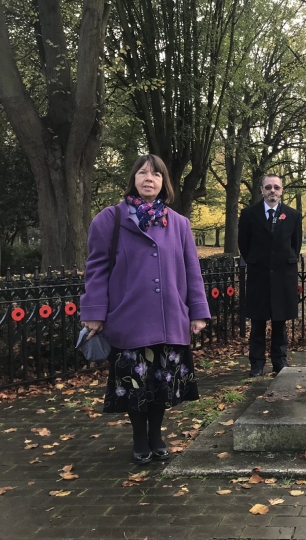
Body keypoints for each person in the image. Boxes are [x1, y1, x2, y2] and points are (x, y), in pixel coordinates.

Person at [81, 155, 210, 465]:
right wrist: (94, 313)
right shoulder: (109, 220)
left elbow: (192, 270)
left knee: (161, 384)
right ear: (134, 179)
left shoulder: (179, 223)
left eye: (156, 174)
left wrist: (197, 311)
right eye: (142, 172)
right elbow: (95, 270)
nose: (148, 178)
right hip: (129, 319)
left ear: (164, 182)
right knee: (134, 386)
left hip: (169, 319)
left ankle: (157, 436)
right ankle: (140, 437)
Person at [238, 174, 302, 377]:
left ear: (282, 190)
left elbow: (296, 244)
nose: (272, 191)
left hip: (283, 275)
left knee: (279, 321)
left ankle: (279, 362)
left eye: (276, 187)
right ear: (261, 190)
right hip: (259, 275)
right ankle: (256, 364)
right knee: (257, 321)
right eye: (268, 187)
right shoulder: (249, 214)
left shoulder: (293, 215)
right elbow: (244, 243)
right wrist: (256, 260)